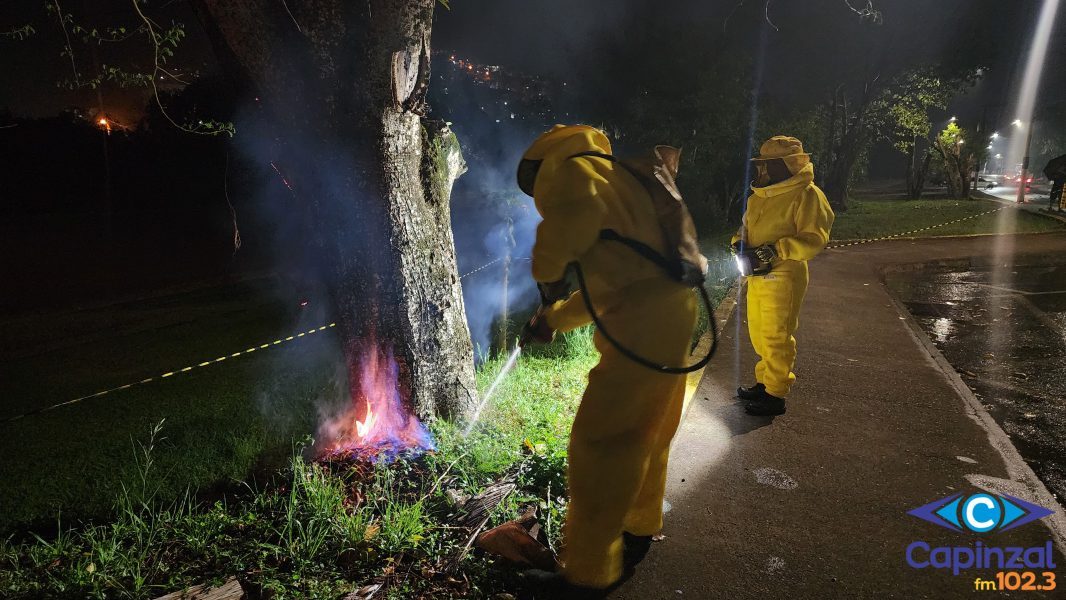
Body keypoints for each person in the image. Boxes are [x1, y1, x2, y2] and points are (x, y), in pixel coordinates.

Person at [516, 124, 699, 597]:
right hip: (673, 312)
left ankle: (588, 573)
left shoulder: (571, 172)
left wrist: (547, 270)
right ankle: (639, 526)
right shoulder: (619, 175)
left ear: (540, 165)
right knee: (649, 430)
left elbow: (569, 225)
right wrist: (554, 318)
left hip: (641, 328)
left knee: (602, 446)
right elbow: (610, 287)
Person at [732, 135, 834, 416]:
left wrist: (777, 250)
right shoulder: (758, 198)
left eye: (769, 165)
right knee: (759, 333)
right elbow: (746, 229)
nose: (763, 171)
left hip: (785, 275)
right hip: (756, 274)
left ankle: (775, 394)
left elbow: (814, 238)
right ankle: (765, 382)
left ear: (788, 164)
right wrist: (738, 242)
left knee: (777, 334)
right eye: (761, 165)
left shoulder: (808, 195)